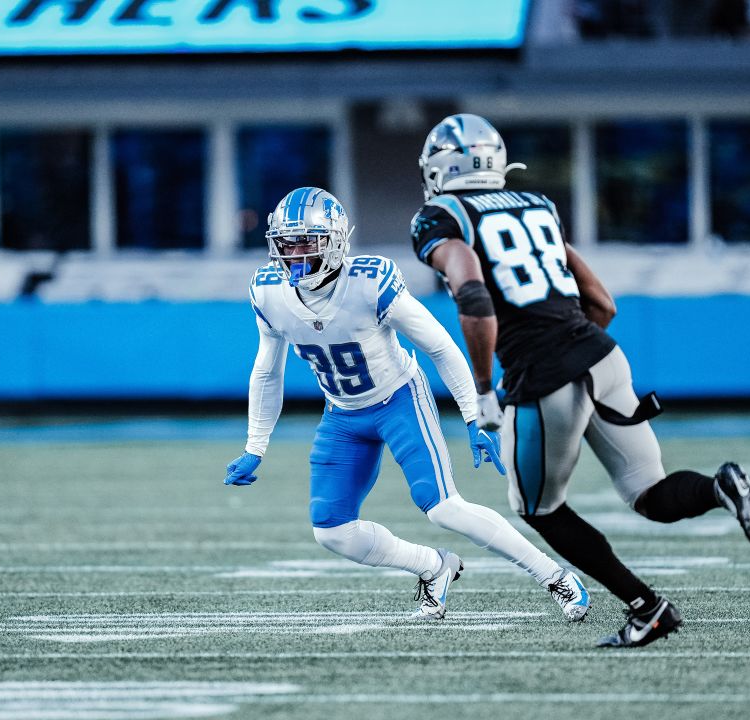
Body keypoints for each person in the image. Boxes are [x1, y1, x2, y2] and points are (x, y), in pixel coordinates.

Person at [408, 114, 750, 648]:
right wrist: (578, 349)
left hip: (544, 372)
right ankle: (721, 486)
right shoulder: (537, 206)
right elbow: (601, 301)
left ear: (442, 167)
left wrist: (486, 389)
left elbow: (472, 296)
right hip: (602, 355)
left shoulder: (440, 215)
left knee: (538, 509)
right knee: (648, 493)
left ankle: (647, 608)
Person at [223, 187, 589, 623]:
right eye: (288, 242)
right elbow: (267, 370)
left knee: (443, 507)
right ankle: (433, 568)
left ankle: (556, 577)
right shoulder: (268, 292)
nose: (295, 253)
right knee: (332, 532)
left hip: (398, 399)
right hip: (342, 413)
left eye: (308, 241)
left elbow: (440, 346)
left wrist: (474, 417)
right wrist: (255, 445)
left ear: (336, 241)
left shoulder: (369, 283)